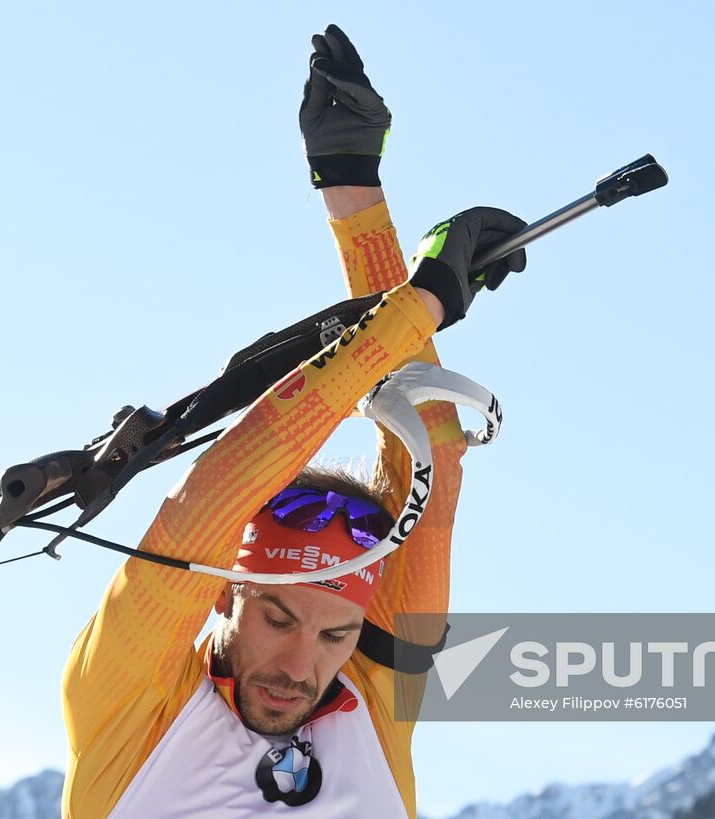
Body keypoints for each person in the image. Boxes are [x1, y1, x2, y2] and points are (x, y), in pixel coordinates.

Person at [60, 25, 526, 818]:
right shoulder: (131, 701)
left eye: (335, 633)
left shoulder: (367, 696)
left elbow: (431, 463)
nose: (301, 664)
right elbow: (205, 503)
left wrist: (356, 189)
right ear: (224, 594)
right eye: (277, 615)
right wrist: (418, 299)